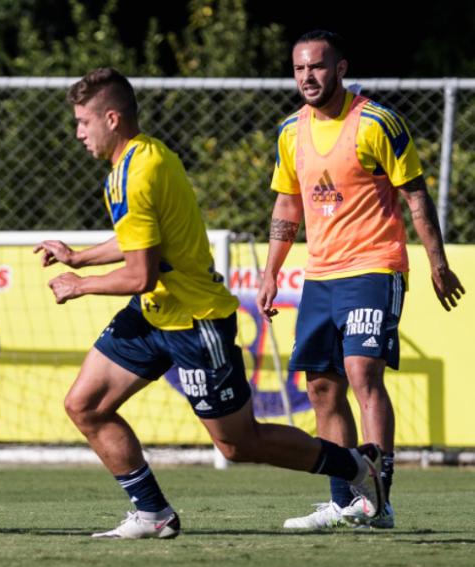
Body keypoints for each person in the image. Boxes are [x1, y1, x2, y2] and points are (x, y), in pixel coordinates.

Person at [34, 67, 386, 540]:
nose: (77, 132)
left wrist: (79, 284)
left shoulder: (135, 175)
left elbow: (139, 273)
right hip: (155, 313)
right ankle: (153, 513)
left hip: (196, 323)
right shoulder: (144, 157)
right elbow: (140, 242)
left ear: (112, 119)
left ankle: (357, 466)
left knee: (240, 445)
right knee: (85, 405)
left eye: (83, 121)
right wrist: (78, 257)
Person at [258, 30, 464, 530]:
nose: (308, 76)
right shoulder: (290, 131)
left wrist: (437, 263)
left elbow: (415, 196)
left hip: (374, 267)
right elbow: (287, 204)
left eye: (318, 66)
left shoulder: (377, 122)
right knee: (323, 389)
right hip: (321, 275)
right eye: (300, 68)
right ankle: (347, 499)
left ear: (341, 68)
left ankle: (381, 499)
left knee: (361, 373)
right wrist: (271, 270)